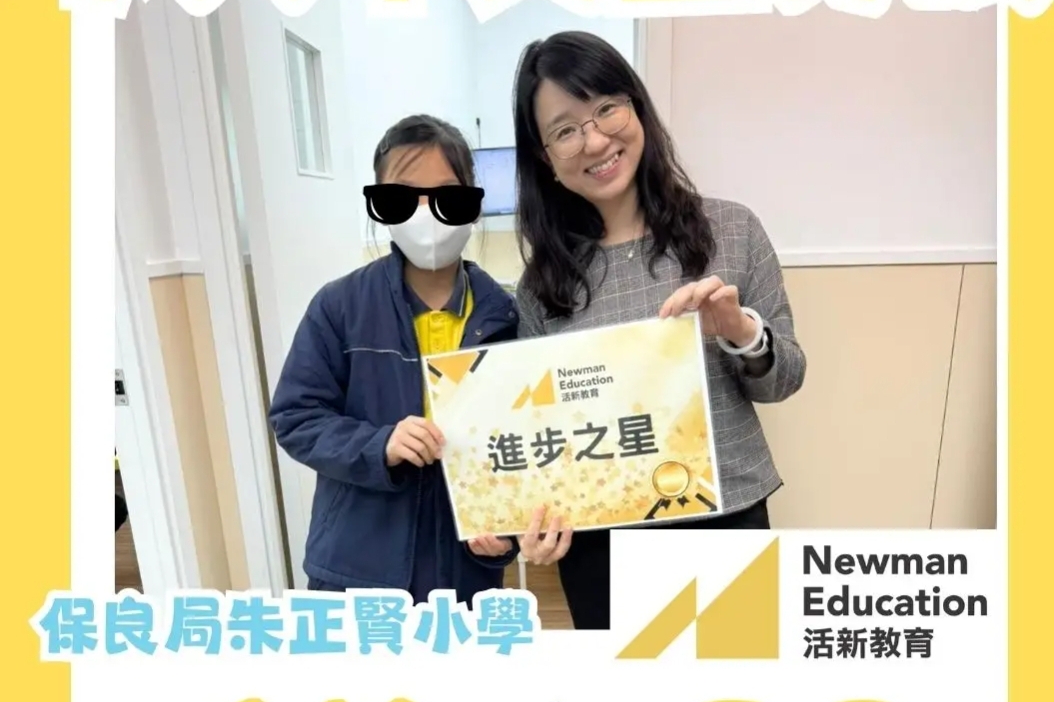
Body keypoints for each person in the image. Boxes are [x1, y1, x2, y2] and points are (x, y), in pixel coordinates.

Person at [512, 32, 806, 629]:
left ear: (637, 107)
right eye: (565, 131)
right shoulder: (542, 284)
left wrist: (739, 330)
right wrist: (533, 516)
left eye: (606, 108)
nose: (595, 140)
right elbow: (538, 433)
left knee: (735, 683)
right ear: (546, 159)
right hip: (602, 540)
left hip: (727, 519)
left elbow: (784, 380)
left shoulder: (731, 230)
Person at [270, 114, 564, 602]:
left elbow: (531, 441)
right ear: (380, 205)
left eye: (446, 195)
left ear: (472, 204)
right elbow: (295, 418)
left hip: (462, 571)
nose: (426, 215)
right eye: (403, 197)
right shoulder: (339, 307)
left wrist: (508, 532)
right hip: (354, 567)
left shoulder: (507, 316)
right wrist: (379, 444)